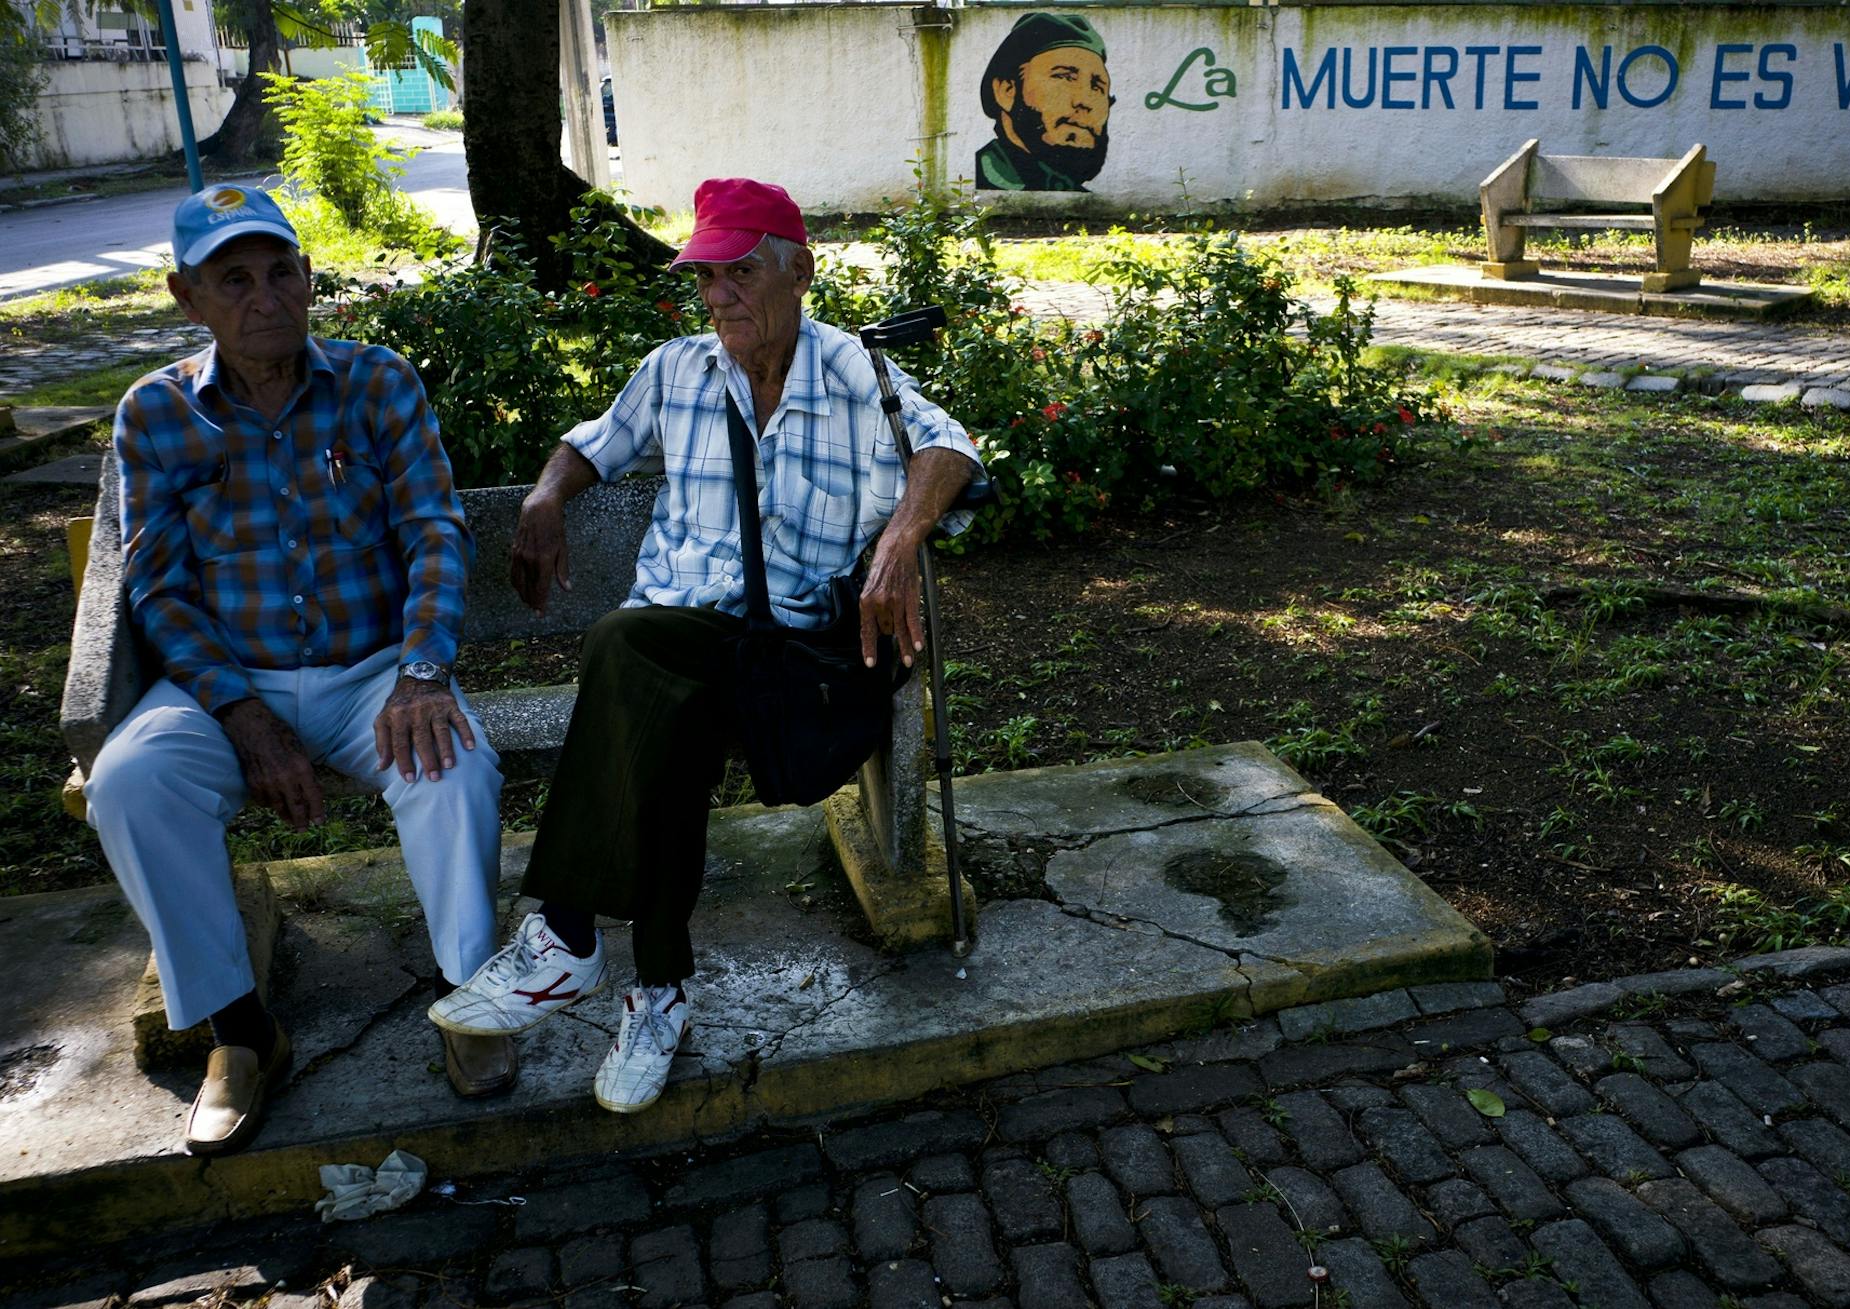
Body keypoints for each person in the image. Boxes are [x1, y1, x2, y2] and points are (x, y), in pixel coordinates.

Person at [429, 177, 988, 1115]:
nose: (718, 295)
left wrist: (898, 539)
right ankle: (657, 993)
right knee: (665, 720)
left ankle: (565, 934)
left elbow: (951, 452)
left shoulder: (851, 368)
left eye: (739, 272)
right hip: (682, 652)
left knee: (620, 644)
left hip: (788, 666)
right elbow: (594, 444)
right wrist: (543, 496)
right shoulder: (676, 369)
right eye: (705, 276)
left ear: (799, 271)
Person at [85, 185, 512, 1156]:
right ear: (187, 296)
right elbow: (157, 587)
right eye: (233, 278)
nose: (264, 295)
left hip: (374, 674)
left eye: (281, 271)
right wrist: (242, 715)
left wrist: (420, 669)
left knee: (455, 766)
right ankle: (241, 1033)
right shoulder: (155, 413)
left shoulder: (377, 383)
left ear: (310, 280)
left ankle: (466, 997)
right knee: (132, 782)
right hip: (230, 686)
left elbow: (434, 532)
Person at [975, 13, 1112, 193]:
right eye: (1064, 77)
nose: (1085, 101)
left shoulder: (1077, 196)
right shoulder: (982, 185)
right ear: (1007, 91)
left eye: (1097, 87)